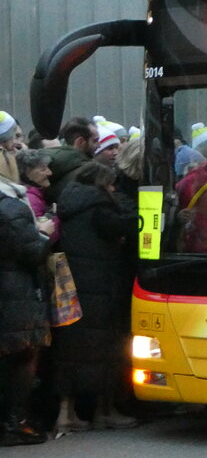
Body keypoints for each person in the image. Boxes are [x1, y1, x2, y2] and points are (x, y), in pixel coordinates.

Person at [51, 162, 139, 431]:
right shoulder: (101, 206)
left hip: (71, 288)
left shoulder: (68, 202)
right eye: (111, 184)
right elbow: (132, 225)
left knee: (70, 350)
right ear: (103, 184)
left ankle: (66, 415)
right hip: (100, 288)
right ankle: (105, 411)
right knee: (106, 349)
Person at [0, 154, 54, 445]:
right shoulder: (11, 207)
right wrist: (44, 233)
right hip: (15, 290)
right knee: (21, 358)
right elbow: (32, 252)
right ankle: (15, 421)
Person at [46, 116, 98, 203]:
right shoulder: (88, 172)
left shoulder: (51, 164)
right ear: (80, 142)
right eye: (95, 141)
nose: (99, 145)